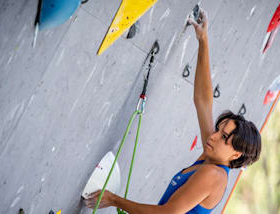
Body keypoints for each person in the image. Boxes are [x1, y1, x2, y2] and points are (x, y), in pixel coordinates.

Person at [84, 8, 261, 214]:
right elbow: (203, 101)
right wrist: (203, 41)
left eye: (223, 137)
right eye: (217, 129)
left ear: (236, 153)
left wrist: (114, 200)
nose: (212, 136)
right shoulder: (211, 155)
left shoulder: (215, 174)